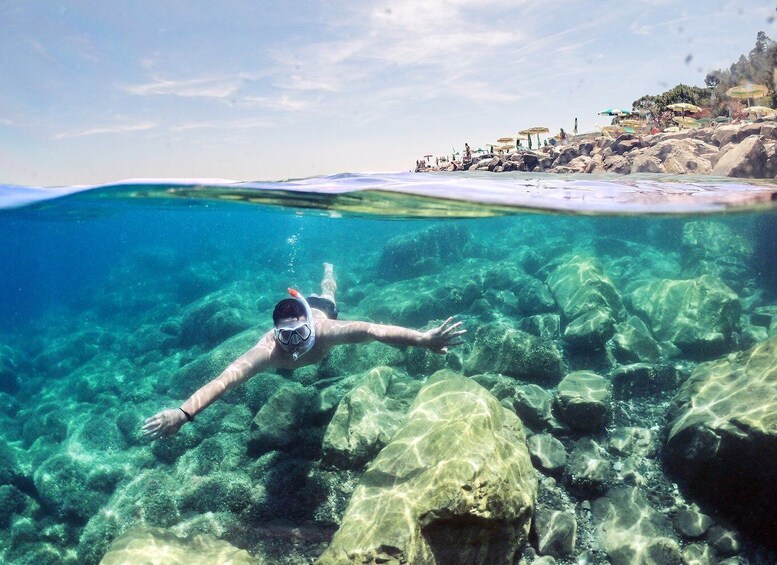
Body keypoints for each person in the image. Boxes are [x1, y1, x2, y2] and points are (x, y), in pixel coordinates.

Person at [142, 263, 466, 440]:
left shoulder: (325, 331)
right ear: (275, 333)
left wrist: (423, 339)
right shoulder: (268, 350)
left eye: (300, 334)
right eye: (287, 336)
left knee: (328, 293)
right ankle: (314, 288)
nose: (294, 344)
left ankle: (328, 272)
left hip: (320, 308)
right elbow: (225, 380)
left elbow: (374, 330)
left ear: (310, 326)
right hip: (303, 310)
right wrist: (184, 414)